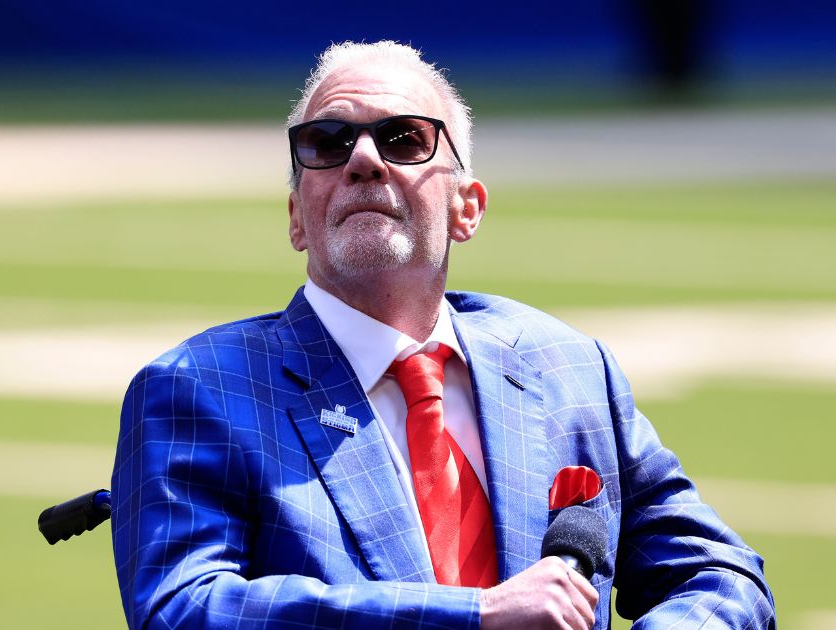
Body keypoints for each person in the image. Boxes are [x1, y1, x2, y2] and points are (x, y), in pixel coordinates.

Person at [111, 40, 775, 630]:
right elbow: (184, 608)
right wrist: (475, 617)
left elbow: (722, 577)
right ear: (295, 217)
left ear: (468, 208)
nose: (364, 159)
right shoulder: (199, 387)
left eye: (404, 139)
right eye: (327, 142)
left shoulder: (569, 367)